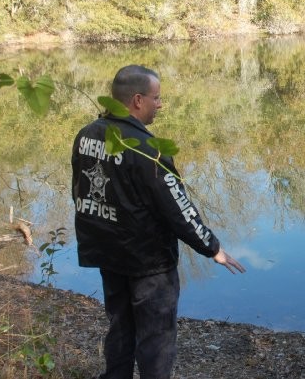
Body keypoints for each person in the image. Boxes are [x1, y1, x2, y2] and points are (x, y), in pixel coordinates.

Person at [71, 65, 246, 379]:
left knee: (120, 325)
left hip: (107, 253)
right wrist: (212, 247)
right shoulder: (148, 151)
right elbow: (178, 209)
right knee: (156, 338)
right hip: (147, 262)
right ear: (137, 100)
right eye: (156, 98)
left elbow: (79, 192)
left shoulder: (86, 135)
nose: (160, 104)